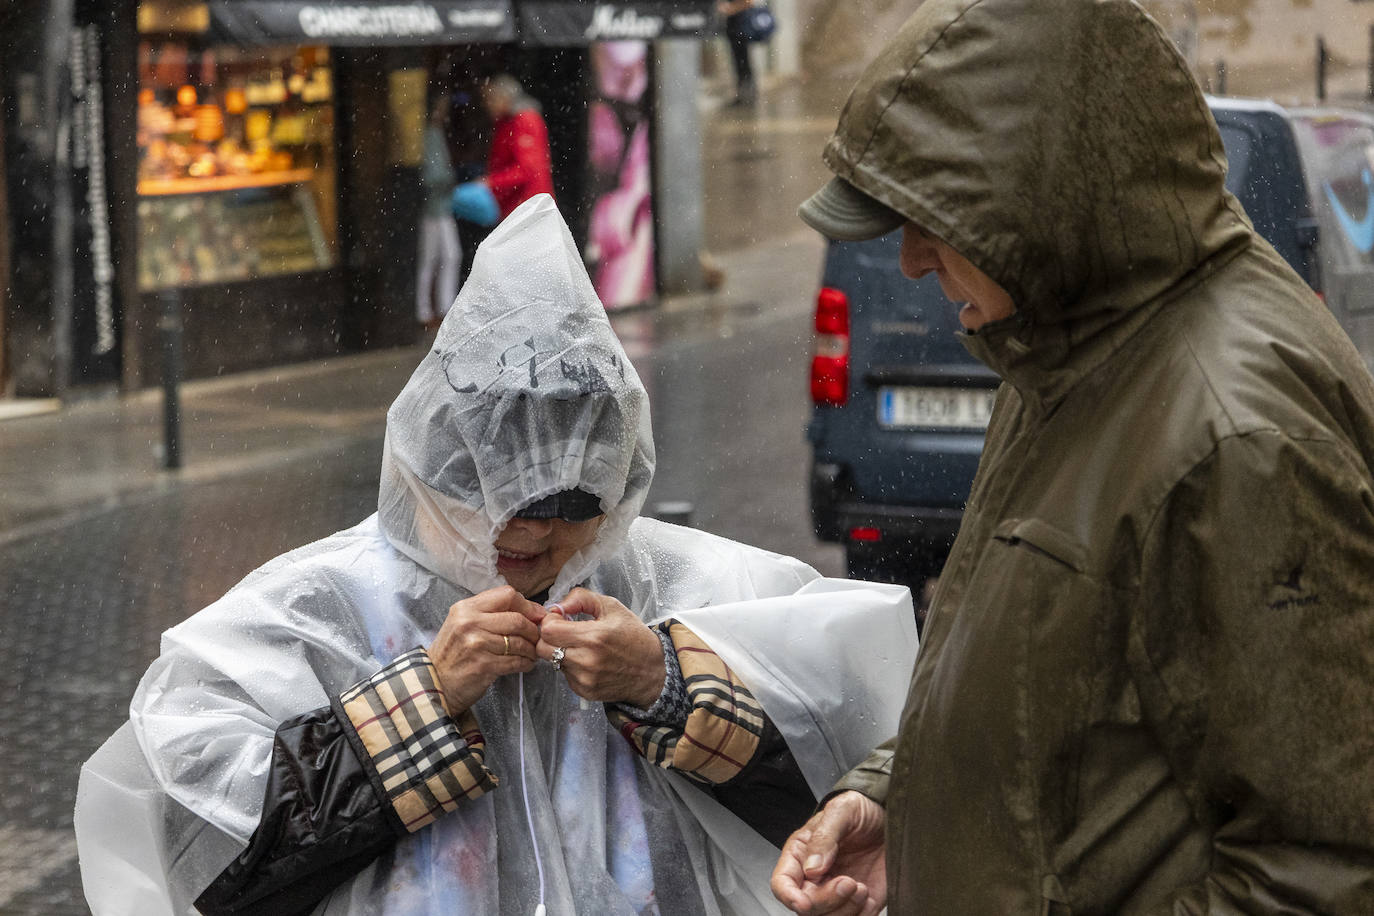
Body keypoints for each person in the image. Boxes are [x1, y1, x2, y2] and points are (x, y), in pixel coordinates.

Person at [74, 194, 918, 916]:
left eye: (568, 505)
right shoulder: (315, 607)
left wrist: (664, 682)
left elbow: (839, 794)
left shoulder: (688, 585)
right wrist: (425, 700)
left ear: (617, 488)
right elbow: (211, 865)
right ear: (426, 466)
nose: (526, 536)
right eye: (485, 493)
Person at [772, 1, 1374, 914]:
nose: (910, 260)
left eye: (936, 220)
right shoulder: (1069, 345)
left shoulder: (1237, 437)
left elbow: (1322, 874)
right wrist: (902, 801)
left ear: (1039, 205)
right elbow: (1063, 696)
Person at [475, 74, 554, 220]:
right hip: (516, 206)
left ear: (505, 98)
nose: (487, 104)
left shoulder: (525, 120)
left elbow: (527, 169)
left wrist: (491, 182)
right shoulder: (506, 121)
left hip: (528, 205)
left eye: (491, 99)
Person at [415, 94, 461, 331]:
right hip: (435, 207)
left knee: (445, 257)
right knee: (434, 258)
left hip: (440, 205)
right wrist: (450, 179)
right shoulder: (429, 136)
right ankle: (427, 310)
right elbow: (432, 175)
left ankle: (441, 308)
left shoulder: (434, 134)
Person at [717, 0, 761, 106]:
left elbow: (749, 2)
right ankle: (744, 94)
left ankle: (747, 95)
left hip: (741, 28)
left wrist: (731, 9)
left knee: (743, 63)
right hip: (734, 28)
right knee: (739, 63)